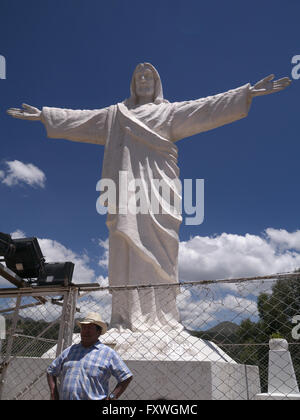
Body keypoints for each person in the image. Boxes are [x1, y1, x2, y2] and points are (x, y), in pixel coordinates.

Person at [7, 64, 291, 332]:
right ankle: (127, 315)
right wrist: (46, 115)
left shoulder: (170, 112)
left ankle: (162, 317)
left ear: (157, 84)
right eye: (139, 77)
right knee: (124, 242)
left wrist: (246, 93)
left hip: (160, 188)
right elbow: (82, 119)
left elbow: (206, 108)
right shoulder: (116, 114)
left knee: (162, 247)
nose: (144, 80)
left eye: (149, 77)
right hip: (125, 190)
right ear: (133, 83)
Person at [46, 312, 133, 400]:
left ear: (99, 332)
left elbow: (126, 377)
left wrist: (112, 397)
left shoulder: (108, 354)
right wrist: (54, 394)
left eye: (90, 328)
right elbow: (51, 371)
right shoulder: (70, 351)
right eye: (84, 328)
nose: (86, 331)